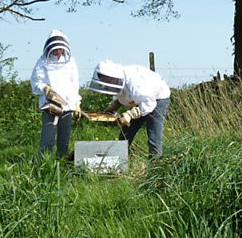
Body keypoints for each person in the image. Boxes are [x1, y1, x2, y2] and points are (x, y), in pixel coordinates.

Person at [89, 59, 171, 158]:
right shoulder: (118, 81)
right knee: (126, 132)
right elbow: (122, 96)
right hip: (140, 100)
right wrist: (114, 106)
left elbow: (149, 103)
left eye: (106, 79)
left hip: (157, 99)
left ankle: (155, 163)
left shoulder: (136, 83)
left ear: (112, 76)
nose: (104, 82)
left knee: (154, 133)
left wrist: (130, 115)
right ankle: (119, 160)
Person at [31, 30, 81, 158]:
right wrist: (45, 88)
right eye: (55, 48)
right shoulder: (42, 61)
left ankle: (62, 165)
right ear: (49, 46)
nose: (57, 51)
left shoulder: (70, 61)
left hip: (68, 105)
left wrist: (77, 104)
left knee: (64, 140)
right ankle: (42, 165)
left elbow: (74, 84)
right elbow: (36, 82)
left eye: (59, 48)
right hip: (50, 105)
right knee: (48, 138)